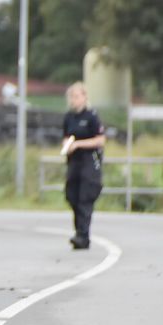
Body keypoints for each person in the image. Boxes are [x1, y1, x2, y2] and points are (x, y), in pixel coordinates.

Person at [62, 82, 106, 250]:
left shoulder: (92, 116)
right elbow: (66, 136)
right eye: (71, 97)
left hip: (89, 162)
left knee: (85, 198)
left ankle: (83, 235)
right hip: (74, 162)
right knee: (72, 196)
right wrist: (67, 145)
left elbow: (100, 140)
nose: (74, 100)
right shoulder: (69, 117)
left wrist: (79, 144)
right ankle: (79, 231)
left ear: (84, 97)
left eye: (77, 96)